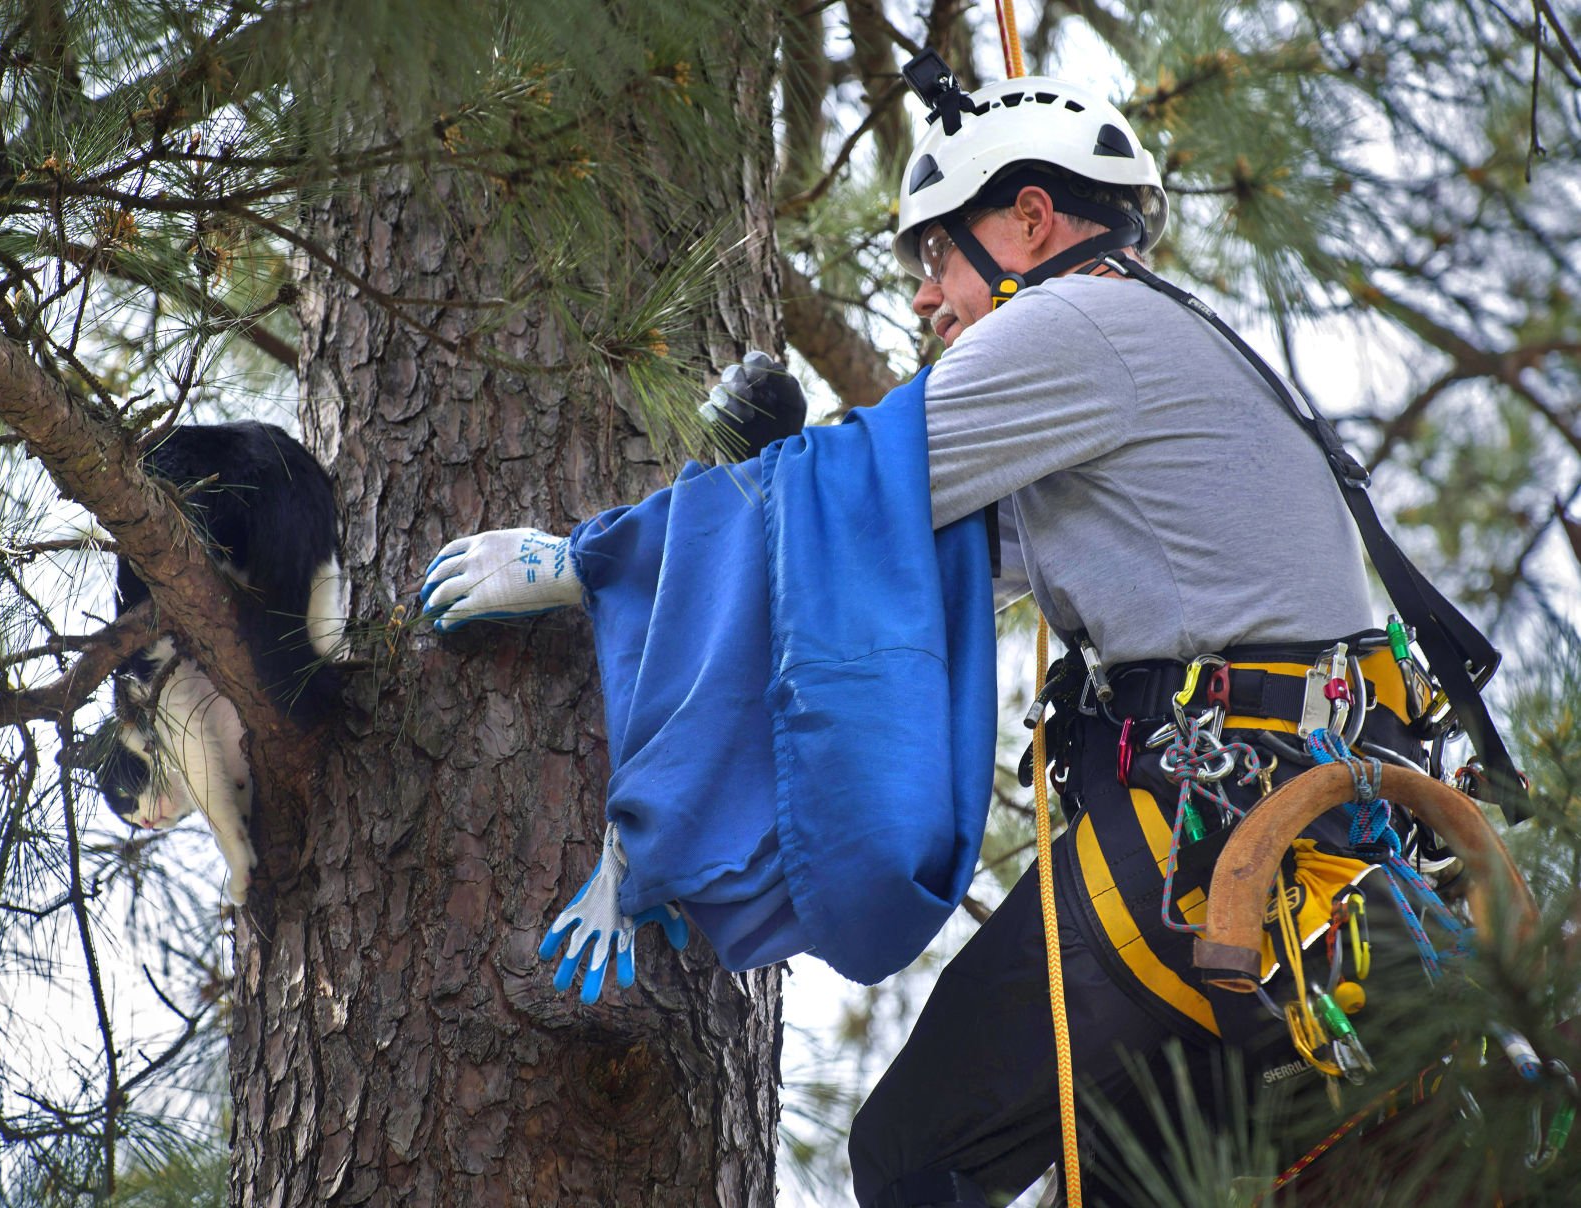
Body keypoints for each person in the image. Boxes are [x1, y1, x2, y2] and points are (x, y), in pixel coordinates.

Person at [423, 55, 1506, 1208]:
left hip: (1206, 834)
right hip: (1312, 867)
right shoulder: (1166, 351)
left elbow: (856, 496)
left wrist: (584, 560)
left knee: (913, 1155)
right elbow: (903, 564)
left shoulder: (1075, 324)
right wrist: (765, 485)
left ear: (1032, 221)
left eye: (937, 254)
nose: (925, 299)